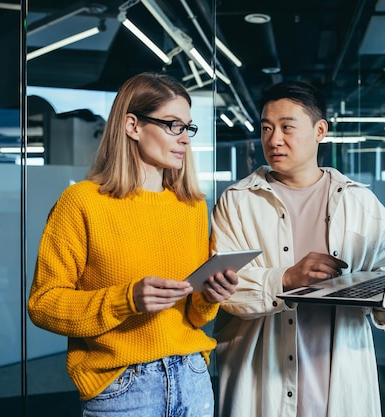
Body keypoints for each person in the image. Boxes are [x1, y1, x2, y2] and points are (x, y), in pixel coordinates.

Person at [210, 80, 385, 417]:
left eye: (286, 127)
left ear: (320, 130)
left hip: (338, 377)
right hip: (261, 381)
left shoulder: (360, 202)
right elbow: (225, 291)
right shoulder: (237, 202)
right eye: (266, 128)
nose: (273, 139)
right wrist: (287, 277)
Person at [28, 72, 238, 417]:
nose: (185, 139)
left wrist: (211, 295)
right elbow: (44, 304)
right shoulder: (81, 202)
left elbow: (195, 316)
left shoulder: (191, 207)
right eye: (173, 125)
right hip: (123, 387)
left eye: (188, 127)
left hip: (193, 377)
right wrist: (126, 300)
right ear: (133, 125)